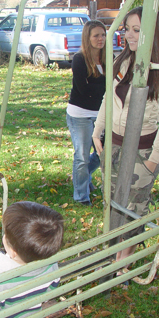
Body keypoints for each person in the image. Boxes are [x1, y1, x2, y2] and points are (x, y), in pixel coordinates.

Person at [92, 6, 159, 266]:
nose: (129, 35)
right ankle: (112, 257)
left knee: (132, 210)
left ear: (152, 33)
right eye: (127, 28)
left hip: (141, 153)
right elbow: (109, 97)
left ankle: (123, 263)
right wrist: (98, 132)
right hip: (114, 146)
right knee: (113, 203)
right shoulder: (121, 62)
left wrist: (153, 159)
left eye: (137, 30)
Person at [66, 20, 108, 206]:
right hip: (80, 114)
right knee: (82, 156)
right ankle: (81, 196)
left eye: (103, 35)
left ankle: (84, 176)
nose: (101, 39)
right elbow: (84, 90)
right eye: (96, 35)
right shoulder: (80, 59)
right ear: (87, 38)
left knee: (104, 153)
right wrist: (107, 87)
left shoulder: (109, 59)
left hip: (102, 115)